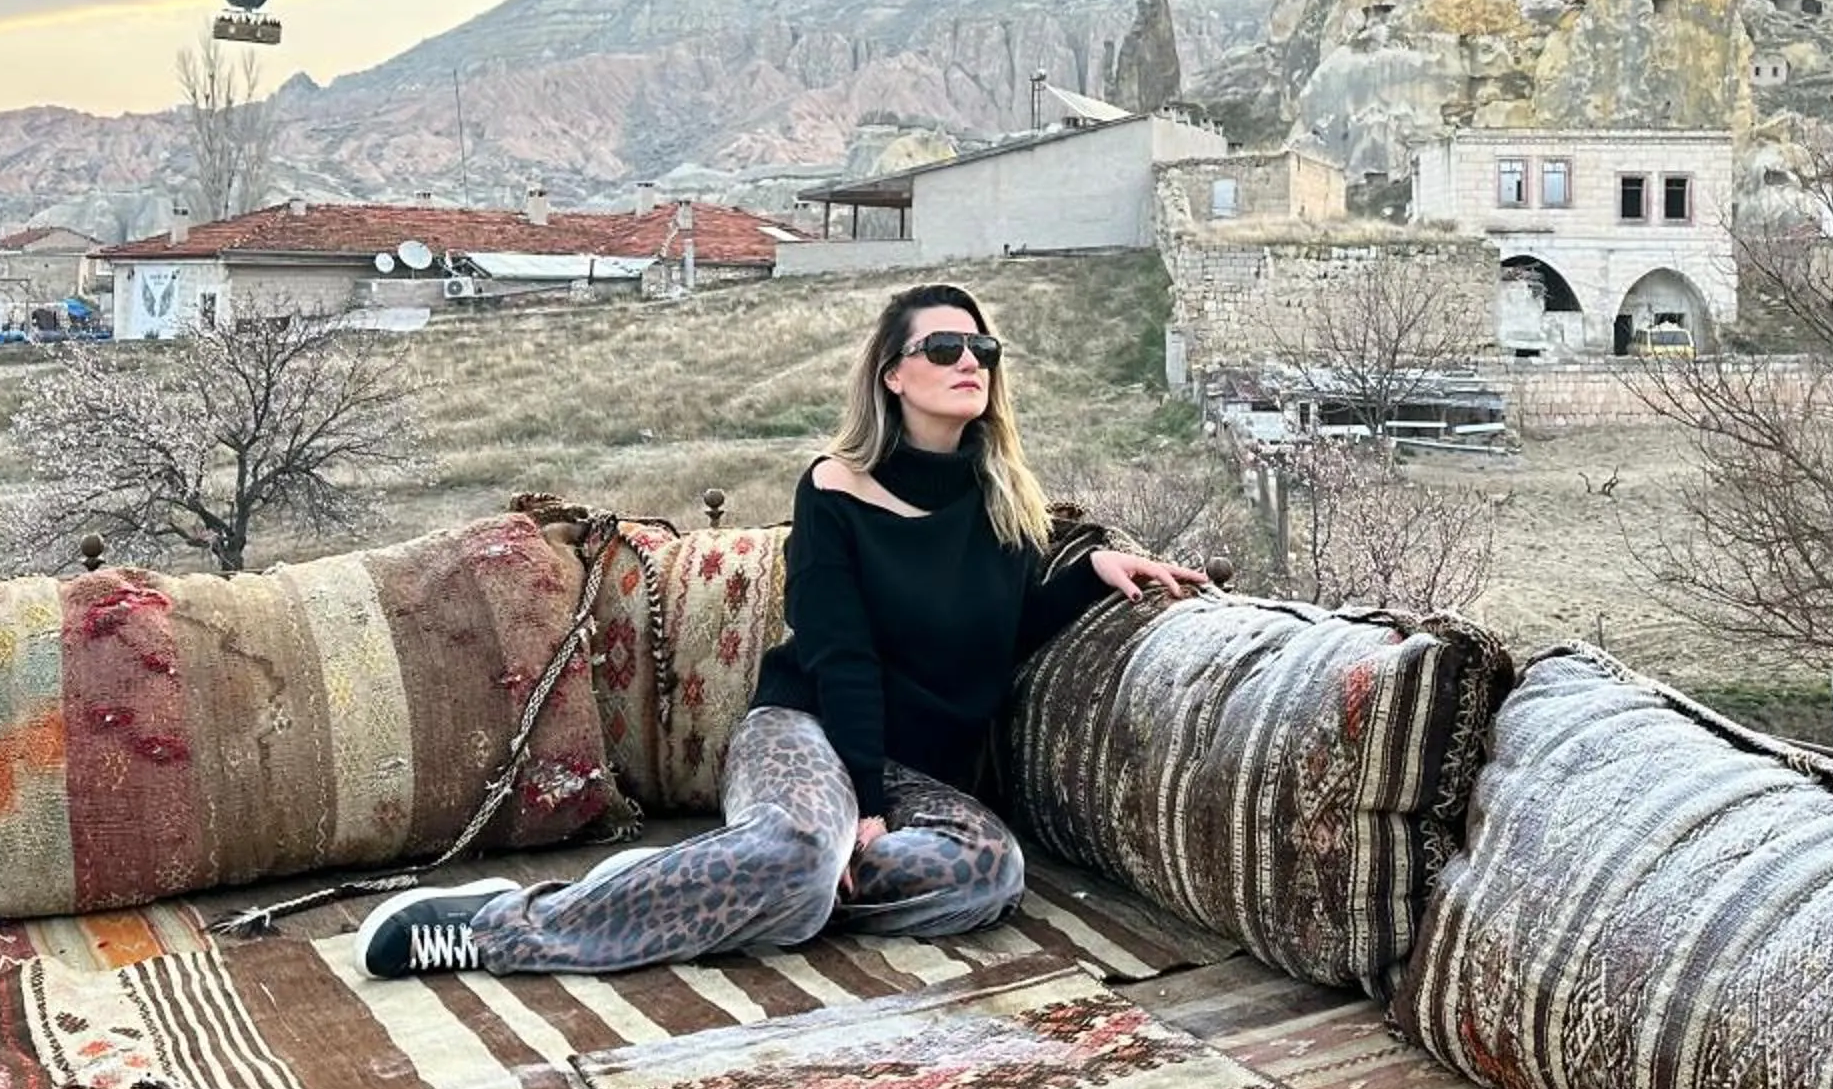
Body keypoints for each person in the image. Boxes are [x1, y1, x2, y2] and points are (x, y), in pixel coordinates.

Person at [358, 281, 1207, 977]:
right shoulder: (834, 489)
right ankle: (504, 927)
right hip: (810, 731)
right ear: (893, 375)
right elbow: (841, 652)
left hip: (918, 771)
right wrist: (862, 809)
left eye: (981, 351)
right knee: (808, 848)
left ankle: (713, 881)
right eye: (942, 349)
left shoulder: (1004, 502)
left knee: (987, 874)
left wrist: (1090, 576)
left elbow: (1000, 633)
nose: (968, 363)